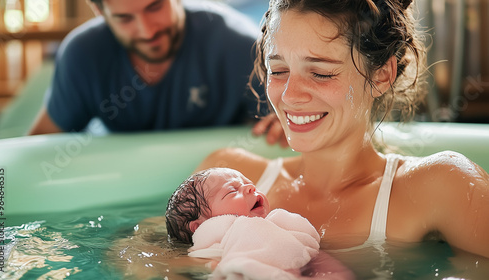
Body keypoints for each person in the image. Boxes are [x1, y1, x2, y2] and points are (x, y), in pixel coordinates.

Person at [193, 0, 489, 260]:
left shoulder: (443, 187)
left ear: (381, 75)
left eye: (321, 73)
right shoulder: (224, 182)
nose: (290, 96)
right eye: (279, 71)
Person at [28, 0, 286, 146]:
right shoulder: (83, 55)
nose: (147, 31)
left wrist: (283, 122)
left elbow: (280, 126)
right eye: (125, 19)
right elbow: (36, 148)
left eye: (154, 7)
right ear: (100, 12)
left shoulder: (237, 45)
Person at [165, 167, 355, 279]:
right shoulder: (205, 253)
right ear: (200, 227)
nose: (250, 188)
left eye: (248, 184)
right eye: (232, 191)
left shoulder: (280, 229)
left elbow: (314, 257)